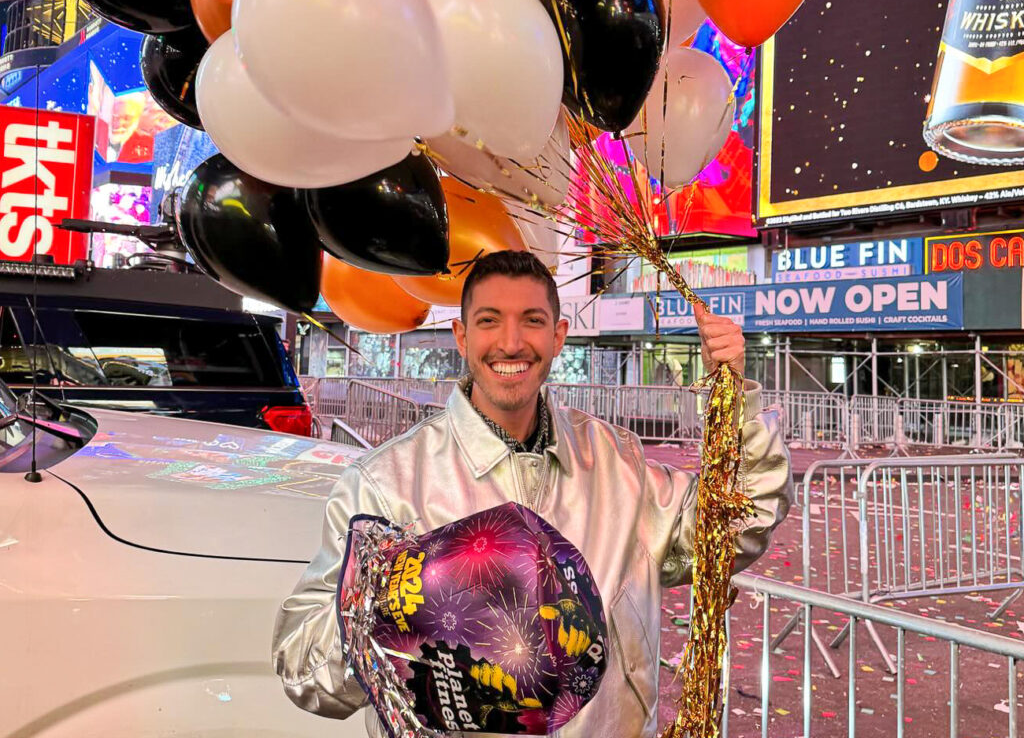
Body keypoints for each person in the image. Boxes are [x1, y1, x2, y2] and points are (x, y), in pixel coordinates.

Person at [273, 250, 791, 738]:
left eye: (533, 320)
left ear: (559, 335)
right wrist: (391, 618)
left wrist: (735, 397)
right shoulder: (385, 484)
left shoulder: (618, 463)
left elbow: (735, 527)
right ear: (460, 335)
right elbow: (301, 664)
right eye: (489, 320)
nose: (512, 342)